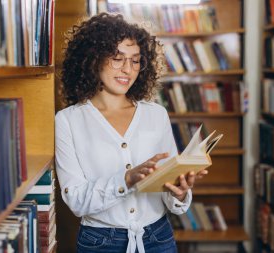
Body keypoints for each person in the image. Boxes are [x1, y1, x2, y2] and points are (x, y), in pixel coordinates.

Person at [55, 13, 208, 253]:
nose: (127, 69)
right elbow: (75, 200)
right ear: (92, 59)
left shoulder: (156, 114)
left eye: (135, 61)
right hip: (99, 243)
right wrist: (126, 180)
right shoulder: (68, 121)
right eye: (117, 58)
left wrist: (179, 191)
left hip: (159, 238)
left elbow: (168, 191)